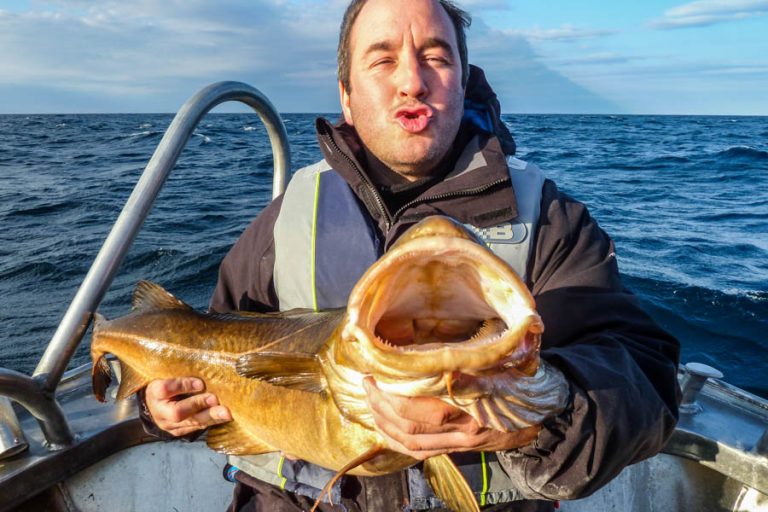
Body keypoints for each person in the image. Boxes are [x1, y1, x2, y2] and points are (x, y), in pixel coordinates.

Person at [140, 0, 681, 510]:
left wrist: (545, 413)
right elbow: (209, 344)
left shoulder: (551, 221)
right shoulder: (283, 222)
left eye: (435, 57)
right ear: (347, 94)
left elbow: (648, 384)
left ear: (463, 83)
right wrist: (160, 409)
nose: (411, 82)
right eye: (382, 59)